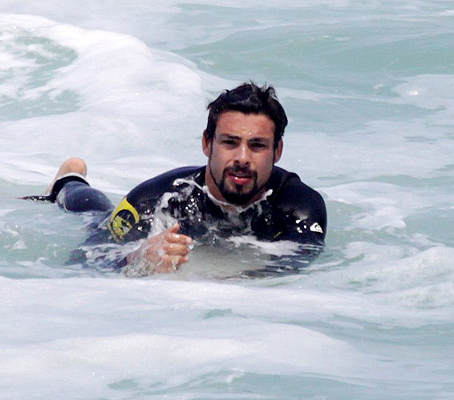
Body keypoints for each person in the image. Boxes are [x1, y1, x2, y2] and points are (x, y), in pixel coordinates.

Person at [26, 82, 327, 276]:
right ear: (207, 144)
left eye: (258, 146)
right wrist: (136, 259)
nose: (243, 158)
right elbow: (80, 264)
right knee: (96, 215)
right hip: (109, 214)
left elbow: (288, 271)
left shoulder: (299, 207)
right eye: (229, 142)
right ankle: (68, 182)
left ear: (278, 151)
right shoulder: (158, 200)